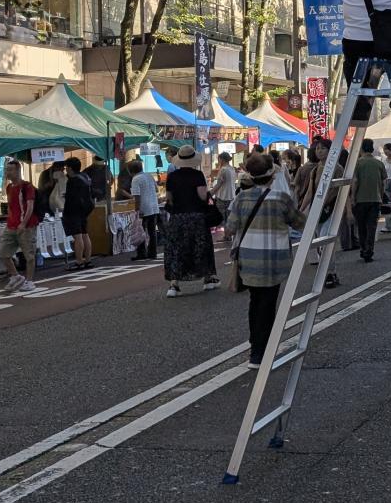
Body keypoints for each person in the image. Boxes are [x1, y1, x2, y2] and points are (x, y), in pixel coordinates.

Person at [227, 152, 307, 370]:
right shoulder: (281, 198)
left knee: (255, 302)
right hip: (273, 259)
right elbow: (300, 223)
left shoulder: (241, 198)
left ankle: (255, 348)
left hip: (249, 258)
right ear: (272, 175)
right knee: (268, 304)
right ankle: (262, 351)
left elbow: (230, 228)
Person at [162, 145, 215, 295]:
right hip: (196, 216)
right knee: (200, 246)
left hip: (177, 217)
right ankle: (207, 279)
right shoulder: (198, 175)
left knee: (176, 248)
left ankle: (174, 285)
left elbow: (169, 198)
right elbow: (203, 196)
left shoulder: (172, 176)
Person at [0, 159, 40, 294]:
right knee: (3, 253)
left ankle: (29, 281)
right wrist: (9, 221)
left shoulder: (27, 186)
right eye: (6, 170)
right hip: (11, 225)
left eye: (10, 170)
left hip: (27, 226)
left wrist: (23, 223)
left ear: (18, 171)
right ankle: (15, 275)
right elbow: (11, 206)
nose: (8, 173)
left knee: (29, 255)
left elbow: (30, 206)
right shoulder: (9, 187)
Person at [352, 139, 386, 262]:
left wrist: (352, 198)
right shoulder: (379, 164)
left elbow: (355, 182)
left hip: (360, 200)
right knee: (372, 226)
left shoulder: (357, 164)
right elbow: (383, 183)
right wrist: (381, 197)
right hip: (375, 199)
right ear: (372, 148)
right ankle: (369, 250)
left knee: (361, 227)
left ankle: (363, 249)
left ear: (361, 149)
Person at [62, 156, 95, 270]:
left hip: (73, 211)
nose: (66, 170)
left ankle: (79, 261)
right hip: (85, 210)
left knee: (78, 236)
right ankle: (88, 260)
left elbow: (71, 198)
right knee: (85, 234)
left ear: (70, 168)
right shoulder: (85, 176)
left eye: (66, 167)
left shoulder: (73, 181)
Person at [129, 158, 160, 260]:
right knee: (152, 231)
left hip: (143, 208)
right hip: (154, 207)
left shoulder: (135, 179)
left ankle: (142, 253)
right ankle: (153, 253)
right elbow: (156, 189)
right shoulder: (149, 175)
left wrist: (137, 210)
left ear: (131, 171)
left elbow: (137, 196)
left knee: (140, 230)